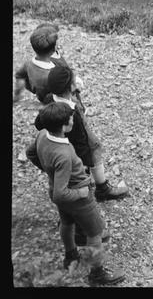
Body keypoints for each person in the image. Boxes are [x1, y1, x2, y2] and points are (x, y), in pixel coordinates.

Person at [25, 102, 125, 285]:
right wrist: (80, 192)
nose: (73, 120)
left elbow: (30, 153)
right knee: (95, 234)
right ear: (65, 125)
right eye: (70, 118)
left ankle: (71, 255)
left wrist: (50, 171)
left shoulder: (42, 134)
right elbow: (60, 194)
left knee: (66, 223)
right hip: (78, 199)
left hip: (59, 190)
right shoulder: (63, 153)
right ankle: (97, 274)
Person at [34, 65, 129, 205]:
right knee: (93, 152)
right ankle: (99, 190)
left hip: (65, 139)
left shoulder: (49, 99)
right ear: (70, 87)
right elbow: (81, 140)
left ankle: (98, 187)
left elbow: (38, 123)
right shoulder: (72, 116)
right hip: (78, 147)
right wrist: (86, 161)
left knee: (91, 151)